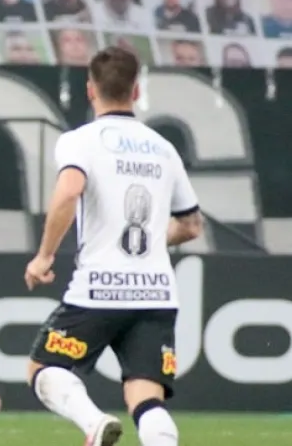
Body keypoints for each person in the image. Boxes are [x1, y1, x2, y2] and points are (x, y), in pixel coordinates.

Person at [24, 46, 203, 446]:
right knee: (146, 396)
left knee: (44, 366)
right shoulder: (163, 149)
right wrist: (158, 236)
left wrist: (45, 255)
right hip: (156, 292)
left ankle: (92, 423)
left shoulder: (80, 141)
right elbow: (191, 225)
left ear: (90, 89)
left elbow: (69, 190)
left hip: (100, 288)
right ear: (135, 91)